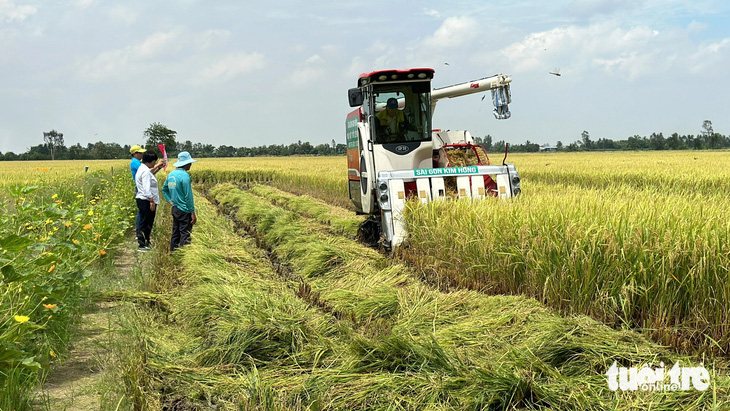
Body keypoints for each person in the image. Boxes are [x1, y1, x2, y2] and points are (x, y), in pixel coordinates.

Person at [161, 152, 197, 252]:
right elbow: (188, 196)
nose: (190, 164)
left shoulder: (171, 174)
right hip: (184, 210)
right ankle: (184, 256)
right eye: (189, 162)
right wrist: (192, 212)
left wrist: (170, 201)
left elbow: (164, 189)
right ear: (185, 164)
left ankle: (173, 253)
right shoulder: (185, 176)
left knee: (176, 232)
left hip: (175, 208)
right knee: (185, 234)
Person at [135, 152, 160, 251]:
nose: (155, 163)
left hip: (142, 199)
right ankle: (142, 245)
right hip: (146, 200)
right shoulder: (145, 172)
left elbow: (151, 171)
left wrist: (158, 167)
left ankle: (146, 241)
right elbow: (146, 187)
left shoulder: (143, 168)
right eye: (154, 161)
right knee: (146, 222)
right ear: (151, 161)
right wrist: (151, 200)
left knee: (145, 221)